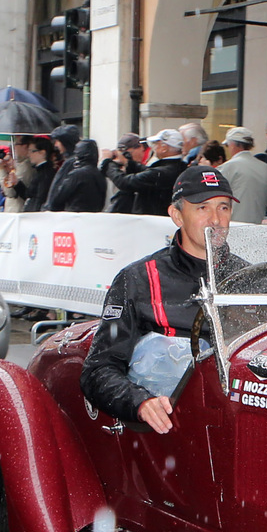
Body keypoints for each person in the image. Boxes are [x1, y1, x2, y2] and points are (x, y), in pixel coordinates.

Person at [81, 167, 248, 433]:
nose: (216, 220)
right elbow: (98, 369)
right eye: (202, 208)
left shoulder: (251, 280)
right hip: (172, 429)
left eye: (224, 208)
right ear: (176, 215)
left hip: (239, 422)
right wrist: (140, 402)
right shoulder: (137, 280)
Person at [104, 128, 188, 217]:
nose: (153, 147)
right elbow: (147, 171)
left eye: (156, 144)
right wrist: (129, 163)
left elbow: (125, 182)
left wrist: (107, 163)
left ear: (164, 148)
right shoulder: (179, 167)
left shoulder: (164, 172)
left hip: (152, 222)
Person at [218, 126, 267, 223]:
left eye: (227, 145)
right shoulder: (265, 167)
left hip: (232, 225)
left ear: (232, 144)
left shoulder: (227, 167)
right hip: (257, 227)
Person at [47, 139, 107, 212]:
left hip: (74, 216)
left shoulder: (76, 175)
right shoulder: (100, 175)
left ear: (78, 154)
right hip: (93, 217)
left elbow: (58, 199)